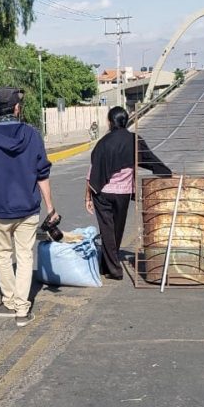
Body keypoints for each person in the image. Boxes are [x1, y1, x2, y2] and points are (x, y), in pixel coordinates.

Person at [0, 86, 56, 327]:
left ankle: (8, 302)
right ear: (17, 108)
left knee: (2, 254)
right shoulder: (32, 135)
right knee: (25, 255)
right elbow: (42, 174)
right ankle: (22, 309)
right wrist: (50, 207)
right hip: (28, 208)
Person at [85, 106, 172, 280]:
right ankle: (106, 265)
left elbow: (93, 172)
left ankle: (114, 269)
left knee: (107, 230)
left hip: (102, 193)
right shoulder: (134, 140)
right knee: (117, 229)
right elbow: (149, 158)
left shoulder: (103, 143)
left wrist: (87, 196)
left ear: (110, 122)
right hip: (123, 193)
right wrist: (167, 173)